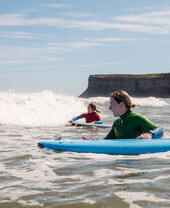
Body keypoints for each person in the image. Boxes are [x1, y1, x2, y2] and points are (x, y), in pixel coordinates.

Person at [83, 90, 163, 140]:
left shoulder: (136, 118)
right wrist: (94, 141)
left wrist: (149, 135)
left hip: (136, 161)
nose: (109, 108)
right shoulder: (117, 123)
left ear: (121, 105)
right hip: (120, 160)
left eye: (112, 104)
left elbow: (159, 130)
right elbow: (107, 140)